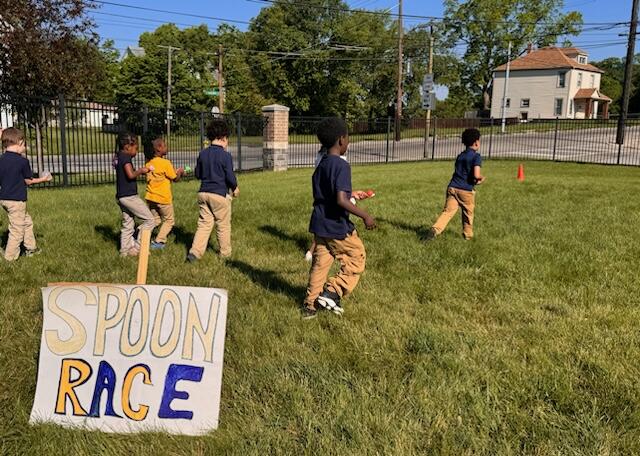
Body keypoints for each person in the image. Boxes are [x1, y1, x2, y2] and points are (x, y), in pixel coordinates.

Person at [302, 117, 376, 319]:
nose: (348, 142)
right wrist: (365, 216)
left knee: (320, 264)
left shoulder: (321, 165)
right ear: (341, 140)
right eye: (348, 138)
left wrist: (351, 195)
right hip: (336, 225)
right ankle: (332, 291)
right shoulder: (342, 166)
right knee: (357, 257)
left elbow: (329, 196)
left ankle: (310, 306)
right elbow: (341, 200)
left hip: (319, 224)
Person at [187, 119, 239, 262]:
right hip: (219, 195)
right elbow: (230, 175)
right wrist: (235, 187)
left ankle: (195, 252)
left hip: (203, 193)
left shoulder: (203, 154)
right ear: (223, 138)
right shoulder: (225, 156)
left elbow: (198, 174)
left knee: (204, 224)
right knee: (223, 225)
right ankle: (225, 253)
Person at [0, 127, 52, 261]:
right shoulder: (22, 161)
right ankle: (10, 258)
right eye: (24, 144)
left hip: (4, 199)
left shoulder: (1, 160)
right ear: (19, 143)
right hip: (17, 201)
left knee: (26, 222)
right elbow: (28, 181)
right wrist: (44, 179)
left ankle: (31, 248)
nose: (25, 147)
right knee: (17, 230)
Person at [426, 128, 485, 241]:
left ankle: (435, 229)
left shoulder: (460, 156)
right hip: (466, 191)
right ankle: (468, 235)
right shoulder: (476, 157)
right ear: (476, 142)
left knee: (447, 212)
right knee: (468, 213)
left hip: (452, 187)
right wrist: (481, 179)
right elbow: (476, 175)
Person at [113, 132, 154, 257]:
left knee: (128, 224)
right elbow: (130, 175)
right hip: (129, 196)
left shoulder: (118, 156)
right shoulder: (125, 158)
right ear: (127, 147)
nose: (137, 151)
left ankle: (125, 251)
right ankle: (139, 246)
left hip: (121, 196)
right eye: (136, 148)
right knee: (150, 220)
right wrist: (141, 171)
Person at [144, 136, 184, 249]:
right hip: (163, 199)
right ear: (159, 148)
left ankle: (141, 233)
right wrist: (180, 172)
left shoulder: (149, 163)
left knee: (155, 220)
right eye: (164, 145)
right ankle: (159, 241)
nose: (167, 147)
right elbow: (174, 178)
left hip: (151, 197)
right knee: (169, 220)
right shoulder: (165, 163)